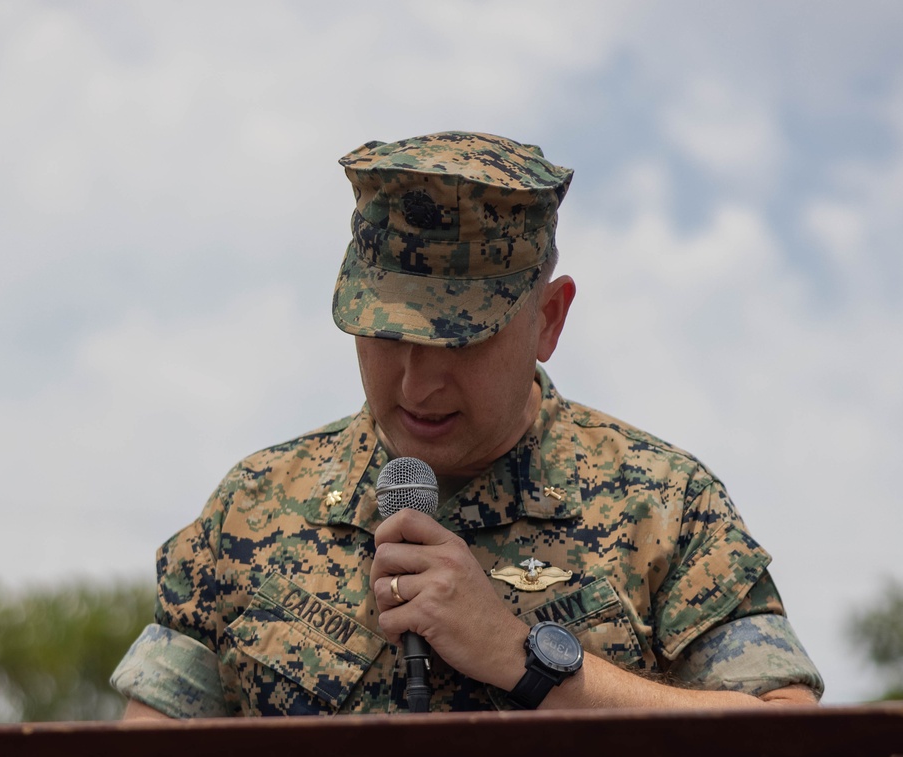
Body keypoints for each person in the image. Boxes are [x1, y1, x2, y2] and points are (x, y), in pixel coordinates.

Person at [113, 131, 822, 721]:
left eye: (462, 341)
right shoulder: (253, 506)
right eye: (386, 336)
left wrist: (525, 659)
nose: (419, 384)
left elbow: (792, 747)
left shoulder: (662, 506)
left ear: (548, 319)